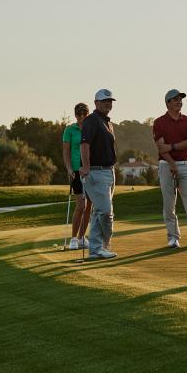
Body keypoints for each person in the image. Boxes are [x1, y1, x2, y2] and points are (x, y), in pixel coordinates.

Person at [152, 89, 187, 248]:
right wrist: (172, 163)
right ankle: (173, 237)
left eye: (180, 99)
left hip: (185, 164)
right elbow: (161, 148)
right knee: (169, 204)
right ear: (168, 103)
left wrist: (172, 146)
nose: (179, 102)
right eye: (175, 100)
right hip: (166, 166)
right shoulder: (159, 122)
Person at [79, 89, 119, 260]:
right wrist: (86, 166)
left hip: (109, 171)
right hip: (95, 172)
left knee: (98, 212)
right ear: (95, 103)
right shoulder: (91, 121)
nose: (107, 103)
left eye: (109, 101)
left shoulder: (108, 123)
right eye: (104, 101)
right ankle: (103, 244)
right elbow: (84, 145)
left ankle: (96, 248)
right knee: (105, 212)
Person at [61, 102, 93, 250]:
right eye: (79, 114)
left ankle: (82, 238)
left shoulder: (92, 129)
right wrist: (68, 168)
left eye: (84, 114)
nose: (81, 117)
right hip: (75, 171)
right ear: (75, 115)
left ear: (88, 114)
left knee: (89, 206)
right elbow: (66, 152)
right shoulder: (69, 130)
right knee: (81, 205)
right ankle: (73, 238)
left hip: (90, 171)